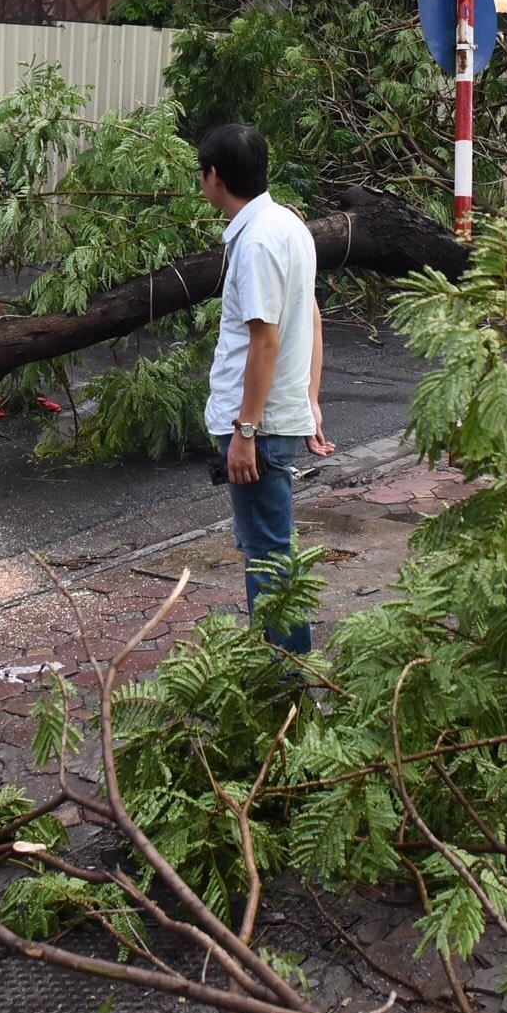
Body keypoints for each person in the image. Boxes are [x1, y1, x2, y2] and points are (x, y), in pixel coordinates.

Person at [196, 123, 331, 654]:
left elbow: (266, 341)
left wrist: (245, 430)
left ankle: (286, 680)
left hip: (261, 426)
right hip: (277, 416)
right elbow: (312, 316)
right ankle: (278, 672)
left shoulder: (255, 243)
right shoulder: (290, 225)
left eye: (201, 175)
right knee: (266, 548)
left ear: (215, 177)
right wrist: (310, 399)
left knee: (270, 557)